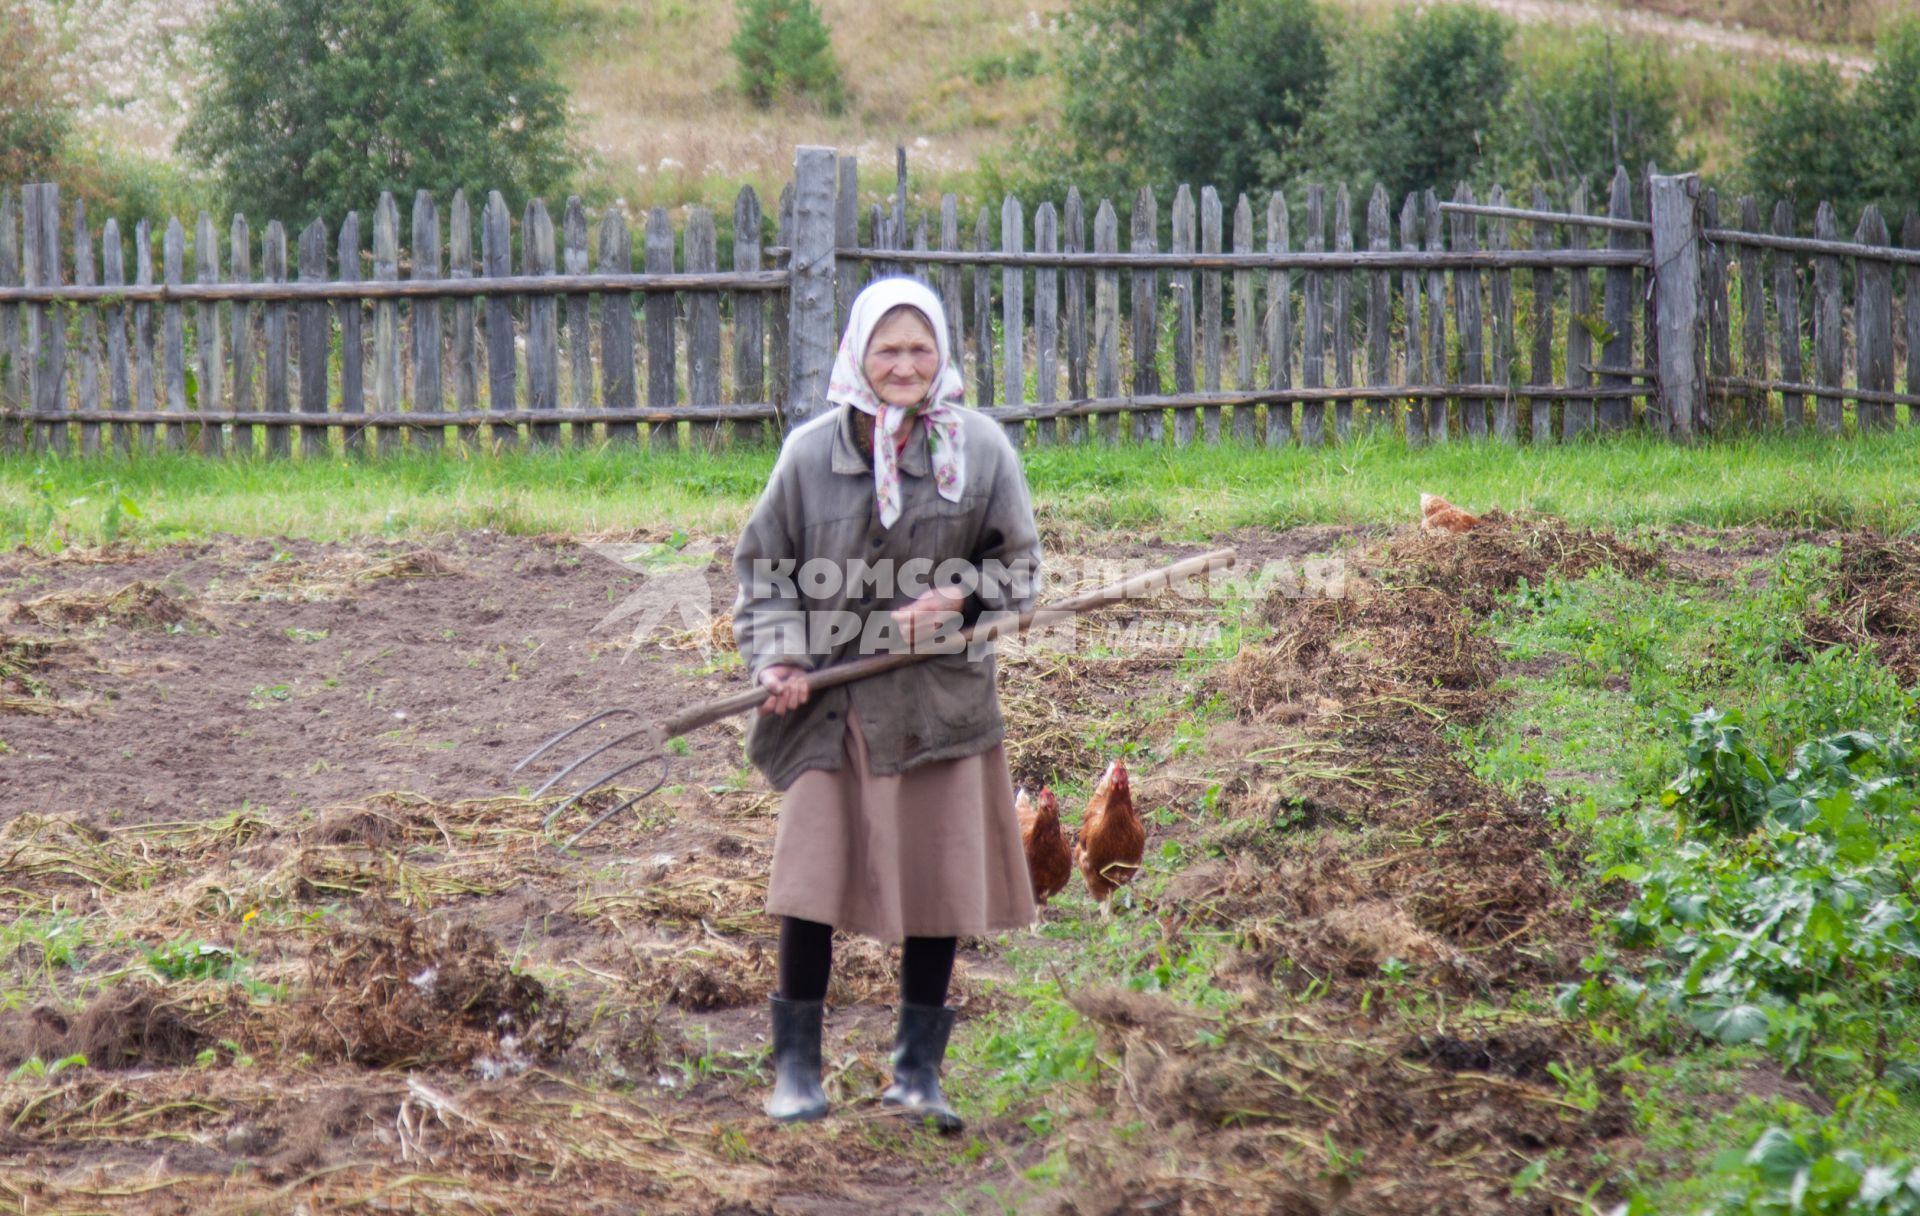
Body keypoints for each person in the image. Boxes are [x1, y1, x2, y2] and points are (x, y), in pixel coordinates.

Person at [730, 277, 1041, 1133]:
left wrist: (962, 601)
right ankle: (797, 1071)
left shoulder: (981, 452)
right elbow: (763, 572)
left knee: (939, 883)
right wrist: (781, 655)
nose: (904, 366)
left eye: (920, 349)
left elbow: (1021, 571)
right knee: (809, 881)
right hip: (830, 707)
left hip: (940, 705)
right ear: (857, 359)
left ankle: (918, 1075)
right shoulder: (808, 455)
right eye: (888, 350)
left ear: (942, 356)